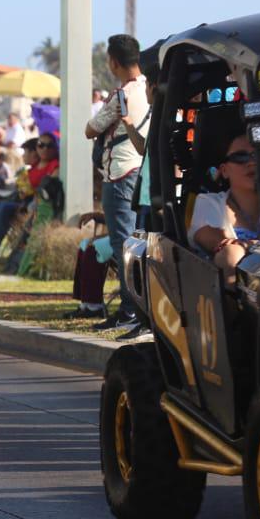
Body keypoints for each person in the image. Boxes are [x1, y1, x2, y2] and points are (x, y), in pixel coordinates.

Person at [85, 34, 150, 334]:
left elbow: (91, 128)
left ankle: (129, 311)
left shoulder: (121, 95)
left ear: (113, 62)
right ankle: (132, 309)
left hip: (119, 174)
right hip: (139, 172)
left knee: (122, 246)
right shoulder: (148, 88)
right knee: (134, 244)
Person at [189, 134, 260, 283]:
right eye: (240, 157)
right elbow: (215, 242)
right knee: (230, 255)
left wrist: (247, 244)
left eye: (259, 156)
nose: (252, 163)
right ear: (225, 170)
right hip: (214, 293)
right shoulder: (209, 202)